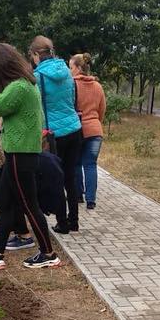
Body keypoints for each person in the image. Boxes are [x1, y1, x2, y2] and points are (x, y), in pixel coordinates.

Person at [0, 43, 60, 269]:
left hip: (20, 155)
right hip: (20, 152)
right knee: (5, 201)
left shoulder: (19, 88)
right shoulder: (26, 84)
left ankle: (48, 253)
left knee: (29, 204)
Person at [29, 35, 82, 233]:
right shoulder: (67, 72)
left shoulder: (38, 77)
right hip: (75, 129)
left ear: (36, 54)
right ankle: (74, 220)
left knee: (56, 178)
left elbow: (36, 107)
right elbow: (72, 98)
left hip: (54, 133)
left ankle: (62, 222)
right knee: (71, 176)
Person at [69, 53, 106, 210]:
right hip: (95, 130)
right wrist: (96, 122)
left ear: (78, 68)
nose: (69, 71)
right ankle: (91, 200)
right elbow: (102, 109)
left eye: (70, 67)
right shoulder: (98, 86)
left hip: (78, 129)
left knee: (76, 163)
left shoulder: (72, 85)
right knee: (91, 165)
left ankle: (78, 195)